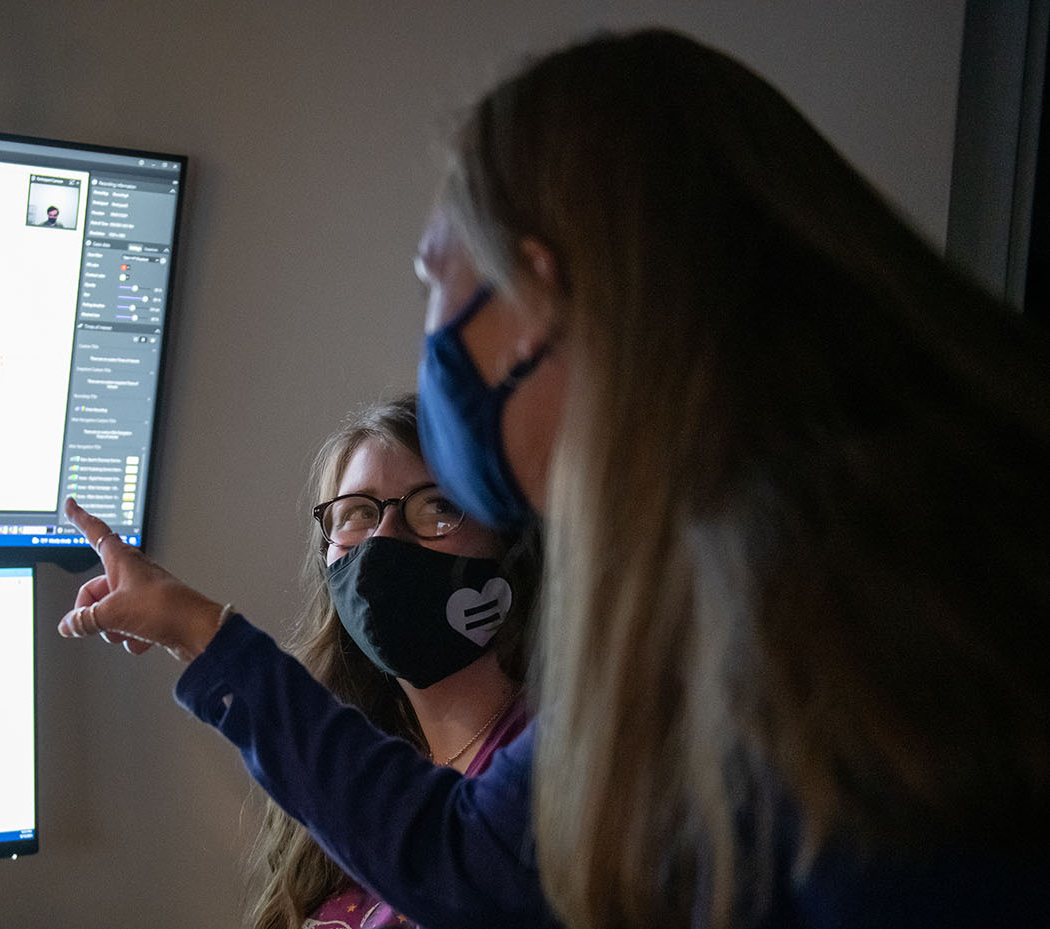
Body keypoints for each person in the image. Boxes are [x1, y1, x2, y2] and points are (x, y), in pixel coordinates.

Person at [61, 27, 1050, 929]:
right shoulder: (807, 536)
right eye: (354, 515)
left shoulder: (825, 596)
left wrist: (204, 635)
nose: (435, 345)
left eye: (434, 283)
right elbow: (479, 857)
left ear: (536, 292)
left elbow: (472, 863)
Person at [247, 395, 538, 929]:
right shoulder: (345, 757)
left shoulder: (553, 766)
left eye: (436, 506)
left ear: (510, 543)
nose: (383, 539)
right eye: (357, 513)